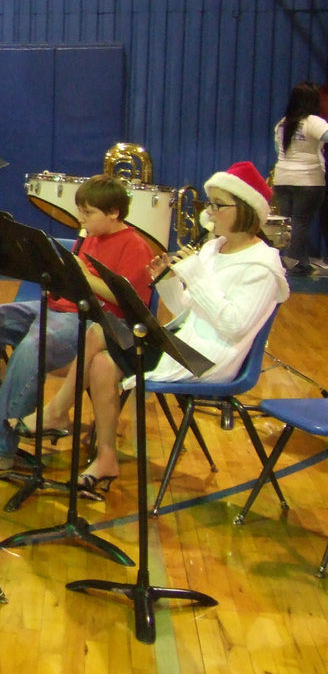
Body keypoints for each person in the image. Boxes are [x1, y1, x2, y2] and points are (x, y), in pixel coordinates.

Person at [32, 162, 290, 490]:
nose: (209, 214)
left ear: (245, 211)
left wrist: (195, 275)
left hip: (209, 358)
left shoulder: (262, 267)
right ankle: (105, 455)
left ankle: (56, 413)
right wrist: (168, 281)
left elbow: (233, 326)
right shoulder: (215, 248)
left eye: (217, 206)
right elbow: (187, 308)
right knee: (100, 360)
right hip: (184, 340)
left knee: (98, 333)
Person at [0, 174, 154, 477]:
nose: (81, 218)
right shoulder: (89, 236)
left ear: (114, 212)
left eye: (88, 212)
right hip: (58, 308)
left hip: (91, 322)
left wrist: (82, 277)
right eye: (81, 211)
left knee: (33, 348)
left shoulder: (135, 246)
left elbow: (131, 304)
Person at [272, 81, 328, 277]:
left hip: (283, 178)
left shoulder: (283, 123)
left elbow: (277, 150)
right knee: (300, 223)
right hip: (309, 180)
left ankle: (301, 262)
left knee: (290, 223)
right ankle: (293, 263)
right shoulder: (314, 121)